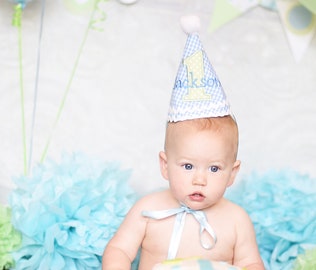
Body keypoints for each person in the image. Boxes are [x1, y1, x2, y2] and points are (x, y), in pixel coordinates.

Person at [103, 16, 264, 270]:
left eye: (214, 168)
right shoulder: (149, 209)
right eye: (188, 166)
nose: (200, 179)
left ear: (232, 173)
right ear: (165, 165)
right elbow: (119, 249)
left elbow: (250, 263)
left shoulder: (236, 220)